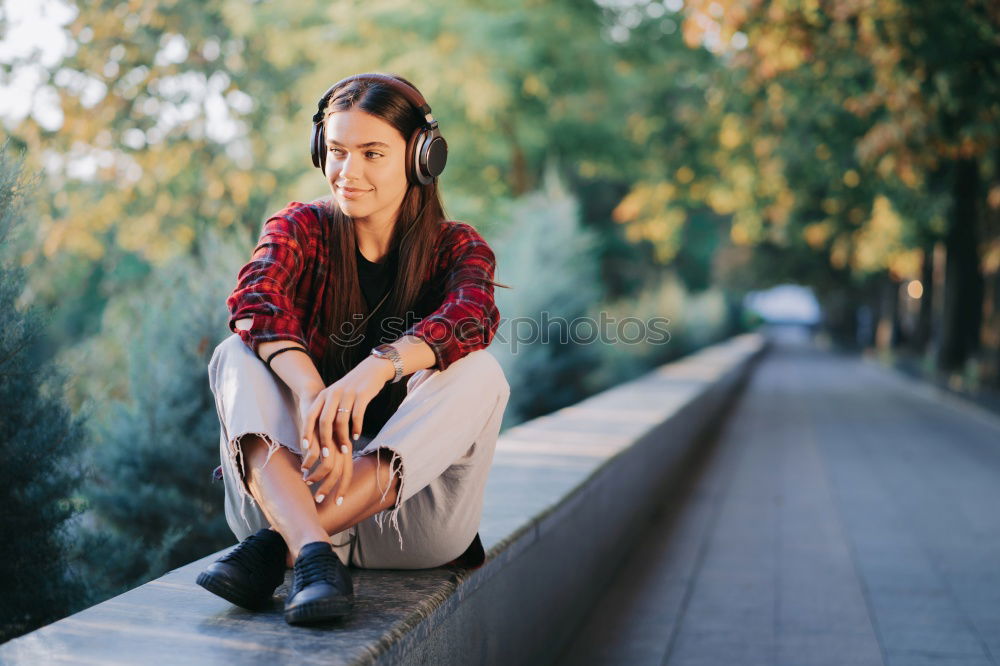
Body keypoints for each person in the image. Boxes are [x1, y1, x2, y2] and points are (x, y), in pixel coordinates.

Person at [196, 72, 511, 626]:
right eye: (338, 151)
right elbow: (255, 301)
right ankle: (312, 551)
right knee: (237, 353)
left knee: (480, 371)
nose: (350, 171)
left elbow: (470, 316)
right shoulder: (299, 227)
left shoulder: (456, 246)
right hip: (292, 495)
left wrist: (374, 371)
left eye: (373, 153)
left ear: (421, 158)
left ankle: (287, 544)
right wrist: (314, 395)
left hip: (408, 526)